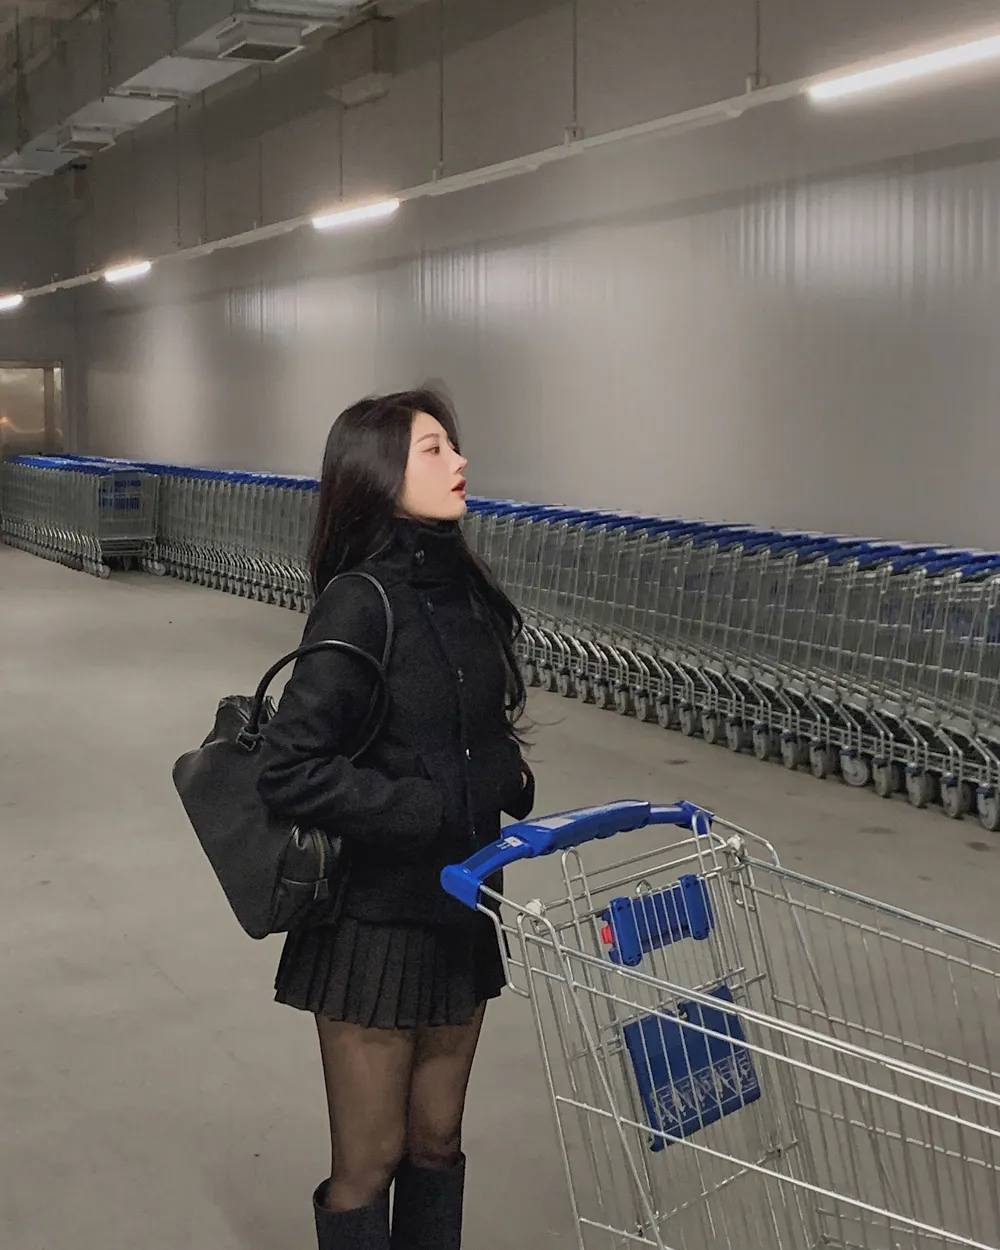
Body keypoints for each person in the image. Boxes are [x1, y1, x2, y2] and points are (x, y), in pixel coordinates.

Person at [256, 388, 535, 1250]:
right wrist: (414, 808)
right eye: (433, 449)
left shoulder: (468, 593)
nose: (459, 462)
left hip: (461, 907)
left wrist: (504, 776)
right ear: (378, 475)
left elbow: (471, 725)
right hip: (372, 927)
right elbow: (288, 767)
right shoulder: (359, 600)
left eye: (454, 445)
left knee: (437, 1141)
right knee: (369, 1159)